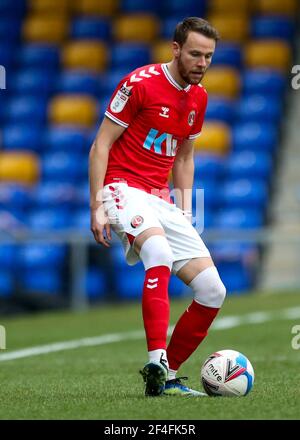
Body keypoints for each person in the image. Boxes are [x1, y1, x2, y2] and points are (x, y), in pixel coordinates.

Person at [89, 17, 226, 397]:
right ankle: (155, 360)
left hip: (159, 196)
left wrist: (183, 210)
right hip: (121, 187)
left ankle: (167, 377)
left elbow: (184, 158)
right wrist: (97, 204)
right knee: (159, 252)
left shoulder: (199, 98)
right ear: (176, 49)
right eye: (195, 54)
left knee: (213, 290)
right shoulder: (139, 84)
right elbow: (101, 144)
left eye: (209, 57)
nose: (202, 63)